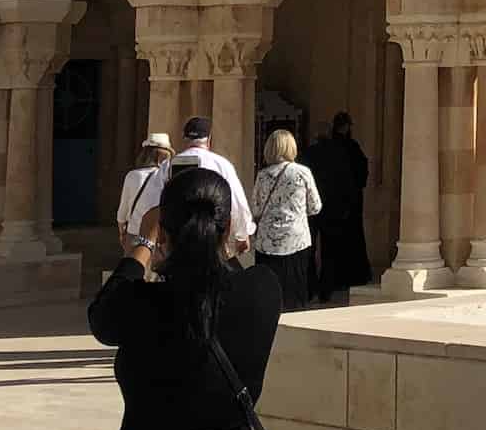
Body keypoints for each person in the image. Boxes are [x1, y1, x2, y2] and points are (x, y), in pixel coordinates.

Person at [86, 163, 283, 430]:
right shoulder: (263, 292)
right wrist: (209, 236)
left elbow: (102, 315)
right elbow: (224, 276)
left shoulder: (140, 307)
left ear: (165, 232)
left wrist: (144, 243)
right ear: (226, 226)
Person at [131, 115, 255, 254]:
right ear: (209, 139)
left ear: (184, 138)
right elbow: (237, 201)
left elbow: (150, 203)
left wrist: (142, 235)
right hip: (210, 235)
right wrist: (242, 234)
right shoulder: (222, 164)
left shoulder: (167, 166)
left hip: (177, 236)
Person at [302, 111, 372, 298]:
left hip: (312, 209)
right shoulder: (340, 153)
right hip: (335, 208)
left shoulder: (308, 154)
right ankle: (327, 288)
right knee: (329, 249)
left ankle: (310, 288)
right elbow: (351, 178)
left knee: (310, 248)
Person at [251, 128, 321, 309]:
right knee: (295, 294)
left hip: (266, 242)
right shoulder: (302, 173)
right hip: (295, 240)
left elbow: (256, 208)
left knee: (269, 295)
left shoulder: (262, 176)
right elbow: (315, 206)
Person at [116, 132, 171, 257]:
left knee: (133, 274)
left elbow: (122, 212)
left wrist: (122, 233)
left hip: (134, 235)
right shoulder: (166, 178)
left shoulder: (132, 176)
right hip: (157, 237)